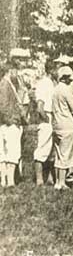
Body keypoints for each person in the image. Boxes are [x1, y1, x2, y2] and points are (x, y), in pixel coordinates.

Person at [0, 57, 27, 187]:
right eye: (16, 70)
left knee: (5, 153)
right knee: (12, 152)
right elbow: (3, 105)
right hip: (9, 123)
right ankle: (9, 181)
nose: (18, 73)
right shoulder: (5, 84)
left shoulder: (7, 83)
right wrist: (11, 120)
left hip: (7, 122)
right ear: (11, 70)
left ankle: (5, 181)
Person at [51, 66, 73, 190]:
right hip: (67, 124)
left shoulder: (55, 90)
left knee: (59, 154)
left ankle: (58, 181)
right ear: (65, 78)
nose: (70, 81)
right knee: (66, 154)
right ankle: (61, 182)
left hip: (56, 124)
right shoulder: (66, 90)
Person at [33, 60, 56, 186]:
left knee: (52, 149)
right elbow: (40, 105)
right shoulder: (43, 83)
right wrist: (45, 117)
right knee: (42, 148)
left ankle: (50, 177)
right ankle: (39, 178)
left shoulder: (52, 83)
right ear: (51, 70)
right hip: (46, 116)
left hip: (53, 117)